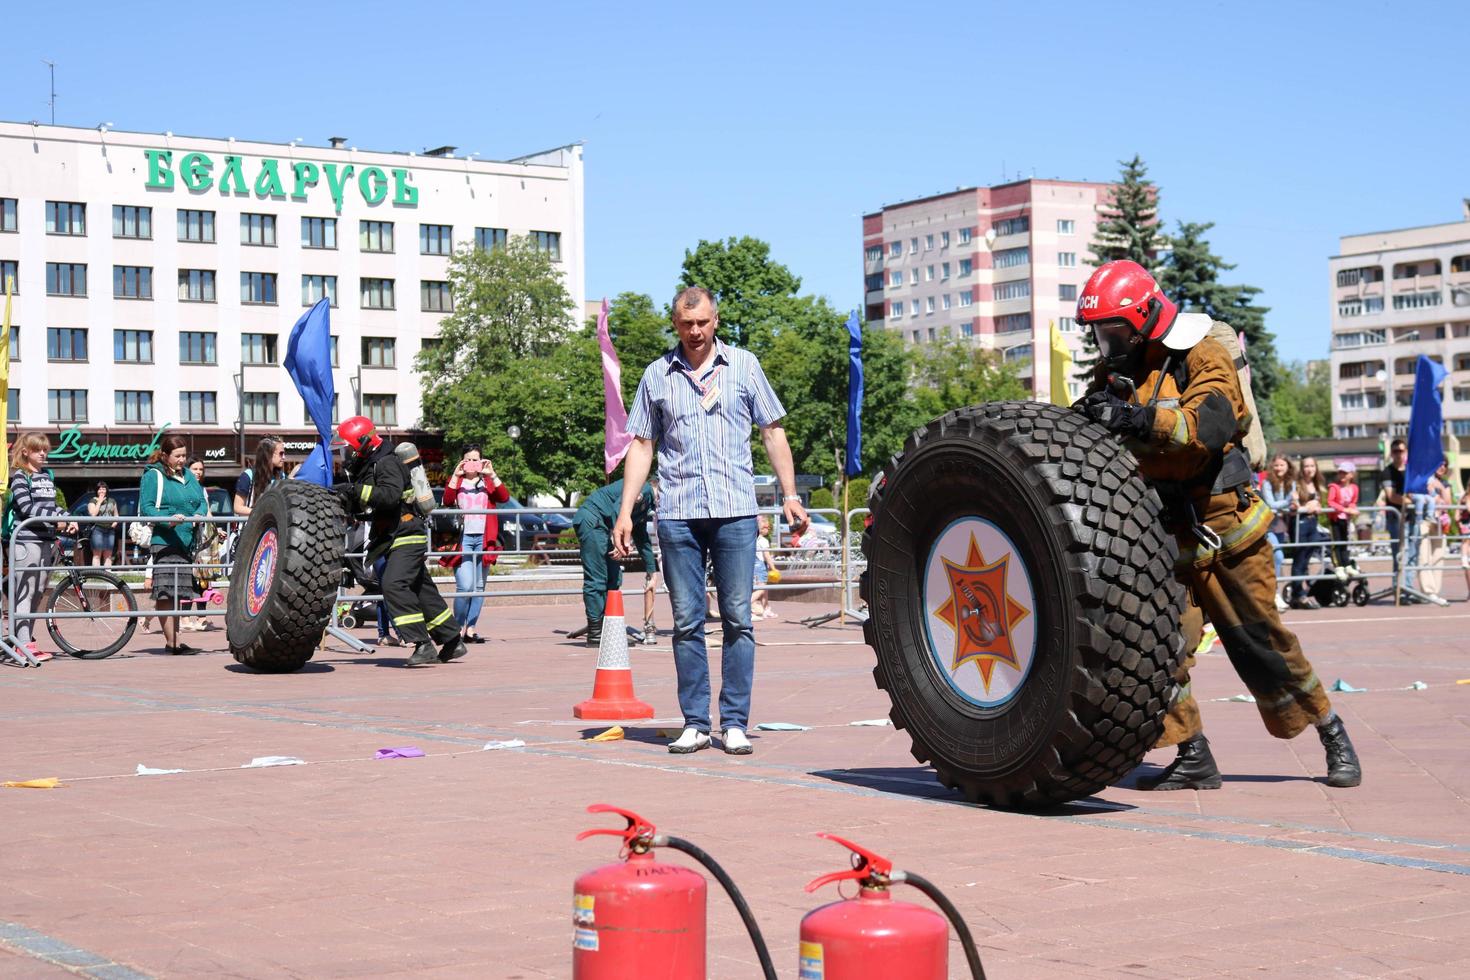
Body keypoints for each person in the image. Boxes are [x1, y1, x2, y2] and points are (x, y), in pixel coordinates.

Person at [1074, 259, 1360, 790]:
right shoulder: (1118, 370)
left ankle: (1332, 731)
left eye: (1114, 330)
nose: (1106, 342)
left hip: (1227, 526)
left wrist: (1140, 419)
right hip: (1163, 534)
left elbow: (1212, 422)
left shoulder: (1201, 352)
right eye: (1099, 332)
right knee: (1156, 648)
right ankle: (1193, 753)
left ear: (1145, 317)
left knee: (1263, 643)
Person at [614, 286, 809, 756]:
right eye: (686, 324)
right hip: (678, 513)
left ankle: (735, 722)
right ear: (675, 324)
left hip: (736, 513)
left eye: (702, 322)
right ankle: (696, 723)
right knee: (685, 621)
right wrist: (625, 510)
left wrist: (789, 494)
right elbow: (642, 445)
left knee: (739, 618)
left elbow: (772, 429)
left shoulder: (744, 365)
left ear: (715, 320)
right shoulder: (657, 374)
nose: (695, 332)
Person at [334, 416, 465, 667]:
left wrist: (354, 491)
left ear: (363, 442)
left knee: (394, 584)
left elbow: (389, 496)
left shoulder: (386, 462)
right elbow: (373, 503)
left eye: (348, 446)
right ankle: (451, 640)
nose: (346, 453)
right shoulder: (371, 463)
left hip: (406, 533)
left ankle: (422, 643)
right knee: (420, 589)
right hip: (393, 535)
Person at [5, 434, 77, 662]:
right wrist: (57, 518)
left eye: (45, 450)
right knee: (25, 591)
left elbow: (53, 506)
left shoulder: (47, 476)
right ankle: (23, 643)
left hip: (46, 539)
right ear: (25, 451)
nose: (43, 454)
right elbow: (27, 508)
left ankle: (25, 639)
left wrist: (71, 517)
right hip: (26, 539)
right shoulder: (19, 476)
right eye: (38, 450)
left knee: (37, 592)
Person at [140, 434, 209, 654]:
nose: (181, 460)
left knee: (179, 593)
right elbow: (147, 507)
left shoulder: (188, 475)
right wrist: (167, 519)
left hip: (186, 541)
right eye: (177, 456)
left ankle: (176, 640)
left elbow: (200, 501)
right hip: (165, 540)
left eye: (184, 456)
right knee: (166, 593)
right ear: (165, 455)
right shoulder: (154, 475)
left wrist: (198, 515)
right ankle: (172, 643)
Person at [575, 478, 657, 647]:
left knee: (614, 578)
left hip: (605, 525)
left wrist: (651, 570)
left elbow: (641, 536)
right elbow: (618, 507)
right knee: (597, 578)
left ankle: (608, 630)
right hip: (593, 521)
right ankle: (596, 634)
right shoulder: (644, 490)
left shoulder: (647, 504)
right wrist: (617, 536)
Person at [440, 446, 510, 644]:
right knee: (465, 586)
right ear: (462, 461)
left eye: (475, 459)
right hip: (463, 540)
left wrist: (492, 473)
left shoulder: (487, 482)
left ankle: (470, 629)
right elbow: (447, 500)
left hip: (484, 539)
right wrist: (455, 475)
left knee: (479, 587)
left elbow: (504, 497)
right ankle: (456, 628)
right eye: (467, 459)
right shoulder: (458, 481)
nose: (471, 463)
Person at [1287, 457, 1326, 609]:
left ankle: (1301, 591)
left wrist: (1317, 504)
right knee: (1299, 559)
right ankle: (1298, 594)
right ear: (1301, 469)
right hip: (1299, 524)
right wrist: (1305, 505)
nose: (1309, 469)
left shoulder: (1316, 484)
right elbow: (1293, 503)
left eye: (1312, 466)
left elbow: (1319, 502)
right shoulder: (1296, 485)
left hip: (1312, 523)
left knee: (1307, 559)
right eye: (1306, 466)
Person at [1260, 453, 1295, 612]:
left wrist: (1288, 505)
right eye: (1276, 465)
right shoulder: (1267, 482)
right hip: (1269, 524)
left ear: (1288, 466)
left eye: (1282, 465)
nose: (1279, 468)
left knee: (1276, 560)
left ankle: (1275, 592)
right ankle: (1273, 593)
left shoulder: (1290, 483)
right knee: (1278, 556)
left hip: (1281, 525)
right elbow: (1271, 504)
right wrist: (1288, 503)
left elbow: (1288, 506)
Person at [1419, 459, 1453, 603]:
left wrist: (1442, 489)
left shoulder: (1445, 484)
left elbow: (1449, 504)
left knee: (1438, 557)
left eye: (1444, 465)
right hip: (1425, 521)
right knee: (1423, 555)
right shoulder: (1425, 479)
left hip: (1440, 522)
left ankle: (1435, 591)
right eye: (1439, 464)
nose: (1442, 467)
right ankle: (1428, 591)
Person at [1383, 438, 1411, 591]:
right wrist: (1408, 501)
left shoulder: (1410, 470)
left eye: (1401, 451)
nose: (1398, 454)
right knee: (1399, 554)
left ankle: (1409, 587)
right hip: (1396, 519)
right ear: (1391, 454)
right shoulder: (1387, 472)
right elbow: (1391, 496)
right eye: (1395, 451)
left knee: (1411, 554)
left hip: (1411, 517)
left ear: (1406, 452)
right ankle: (1399, 587)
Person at [233, 437, 287, 517]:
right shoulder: (248, 476)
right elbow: (237, 507)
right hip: (250, 526)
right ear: (269, 454)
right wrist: (262, 512)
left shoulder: (282, 476)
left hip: (273, 526)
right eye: (281, 453)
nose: (284, 457)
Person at [1327, 463, 1361, 578]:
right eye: (1340, 472)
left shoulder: (1354, 488)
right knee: (1336, 543)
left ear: (1351, 475)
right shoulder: (1334, 487)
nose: (1342, 475)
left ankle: (1346, 564)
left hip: (1345, 520)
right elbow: (1330, 502)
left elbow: (1353, 501)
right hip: (1335, 519)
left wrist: (1351, 508)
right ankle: (1338, 566)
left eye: (1345, 473)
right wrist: (1345, 509)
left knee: (1344, 542)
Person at [86, 481, 121, 567]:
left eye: (103, 489)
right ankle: (96, 574)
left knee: (108, 555)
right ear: (97, 490)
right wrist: (99, 501)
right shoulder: (93, 500)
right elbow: (93, 514)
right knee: (97, 554)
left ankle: (108, 575)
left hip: (110, 530)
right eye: (100, 489)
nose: (102, 491)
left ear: (106, 490)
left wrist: (115, 523)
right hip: (97, 529)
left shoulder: (112, 501)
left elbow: (116, 515)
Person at [751, 514, 778, 620]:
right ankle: (747, 606)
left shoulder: (753, 539)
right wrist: (773, 568)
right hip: (760, 567)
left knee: (764, 589)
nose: (768, 529)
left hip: (753, 567)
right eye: (766, 527)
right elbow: (767, 556)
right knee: (761, 590)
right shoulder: (763, 541)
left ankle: (766, 609)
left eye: (768, 527)